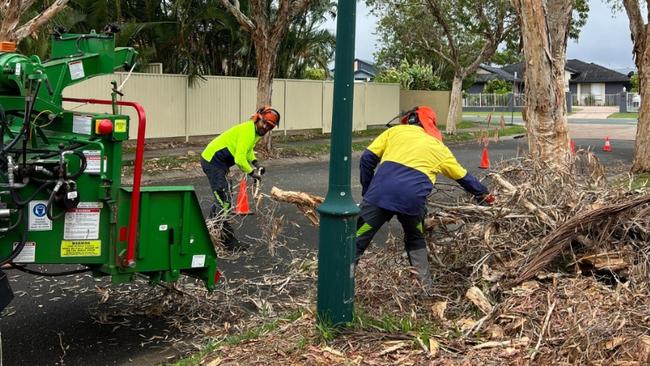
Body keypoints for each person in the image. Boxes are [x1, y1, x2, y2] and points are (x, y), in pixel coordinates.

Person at [356, 106, 494, 297]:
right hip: (412, 202)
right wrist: (486, 196)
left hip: (378, 196)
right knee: (415, 238)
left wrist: (368, 191)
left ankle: (339, 284)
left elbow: (366, 159)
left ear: (410, 120)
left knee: (357, 239)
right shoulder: (439, 148)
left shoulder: (393, 132)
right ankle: (424, 292)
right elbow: (465, 178)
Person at [200, 106, 280, 249]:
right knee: (224, 201)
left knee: (223, 198)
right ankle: (226, 241)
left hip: (219, 164)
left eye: (270, 127)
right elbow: (239, 159)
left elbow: (248, 151)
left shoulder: (254, 132)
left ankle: (209, 234)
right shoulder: (247, 130)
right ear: (258, 118)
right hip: (213, 162)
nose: (266, 128)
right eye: (265, 123)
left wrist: (256, 163)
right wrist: (252, 173)